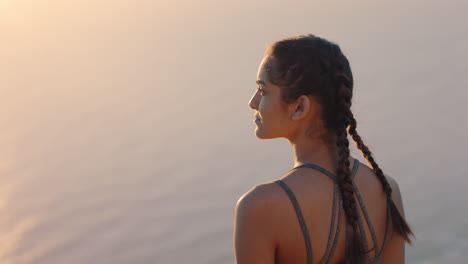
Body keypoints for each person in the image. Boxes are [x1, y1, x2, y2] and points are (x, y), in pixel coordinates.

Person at [233, 35, 413, 264]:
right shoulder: (386, 190)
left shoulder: (260, 207)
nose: (253, 102)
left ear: (300, 107)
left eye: (263, 90)